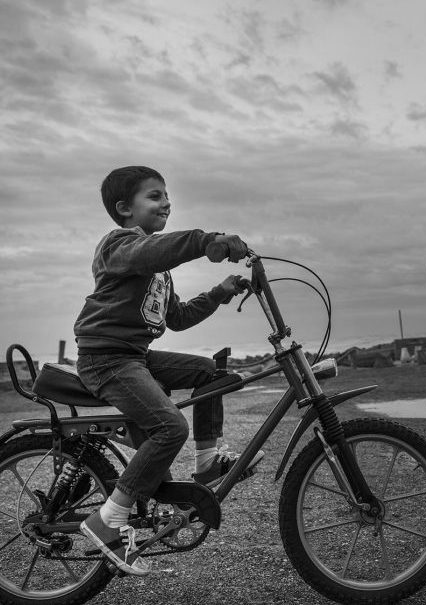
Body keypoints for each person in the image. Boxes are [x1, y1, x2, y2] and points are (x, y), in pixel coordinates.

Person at [74, 165, 263, 576]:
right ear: (124, 208)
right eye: (154, 196)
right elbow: (151, 251)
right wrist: (205, 241)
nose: (166, 202)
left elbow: (175, 318)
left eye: (166, 196)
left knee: (212, 373)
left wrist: (218, 293)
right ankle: (107, 520)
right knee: (170, 427)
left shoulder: (158, 268)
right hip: (105, 359)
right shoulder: (119, 246)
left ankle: (209, 461)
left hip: (134, 355)